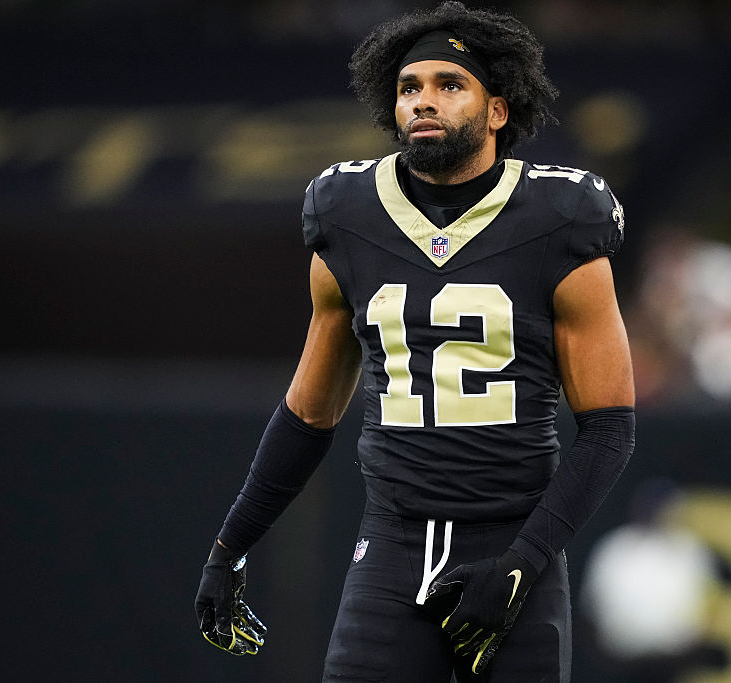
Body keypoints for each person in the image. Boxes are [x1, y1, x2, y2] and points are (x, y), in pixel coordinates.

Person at [194, 2, 636, 681]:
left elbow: (609, 429)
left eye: (449, 84)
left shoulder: (560, 217)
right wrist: (230, 547)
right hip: (392, 549)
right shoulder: (347, 213)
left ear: (497, 110)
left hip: (514, 546)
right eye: (409, 87)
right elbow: (309, 414)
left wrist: (523, 562)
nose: (423, 100)